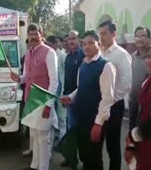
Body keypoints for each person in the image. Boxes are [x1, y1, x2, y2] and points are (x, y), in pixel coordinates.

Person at [61, 30, 116, 170]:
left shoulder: (105, 66)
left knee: (94, 158)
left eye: (91, 43)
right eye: (84, 44)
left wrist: (98, 124)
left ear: (99, 44)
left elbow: (107, 99)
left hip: (95, 121)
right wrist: (70, 98)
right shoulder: (83, 65)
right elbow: (80, 88)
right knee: (85, 156)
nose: (86, 46)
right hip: (81, 119)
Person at [10, 23, 58, 170]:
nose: (33, 37)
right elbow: (26, 76)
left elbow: (54, 81)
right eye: (30, 34)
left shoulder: (49, 52)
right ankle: (35, 165)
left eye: (35, 33)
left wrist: (48, 105)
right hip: (30, 100)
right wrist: (18, 78)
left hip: (43, 101)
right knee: (35, 135)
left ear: (41, 34)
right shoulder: (29, 54)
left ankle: (43, 167)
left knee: (43, 138)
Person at [98, 20, 132, 170]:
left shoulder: (121, 55)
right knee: (97, 142)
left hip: (114, 106)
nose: (101, 37)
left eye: (104, 34)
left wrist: (110, 100)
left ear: (113, 34)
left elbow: (126, 84)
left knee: (112, 146)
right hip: (99, 104)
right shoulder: (101, 53)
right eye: (100, 34)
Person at [61, 30, 84, 169]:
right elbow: (67, 78)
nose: (71, 41)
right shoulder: (68, 57)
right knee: (70, 129)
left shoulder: (83, 55)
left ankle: (82, 160)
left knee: (79, 130)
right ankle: (71, 158)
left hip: (80, 98)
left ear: (78, 39)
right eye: (69, 39)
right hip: (69, 98)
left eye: (74, 38)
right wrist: (65, 95)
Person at [125, 50, 151, 170]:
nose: (148, 60)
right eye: (148, 56)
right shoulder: (148, 79)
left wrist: (134, 135)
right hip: (144, 134)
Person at [129, 27, 150, 130]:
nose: (139, 39)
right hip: (133, 101)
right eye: (137, 36)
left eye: (143, 36)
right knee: (132, 132)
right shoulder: (131, 57)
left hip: (148, 105)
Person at [46, 35, 67, 141]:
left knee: (62, 118)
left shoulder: (62, 56)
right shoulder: (49, 54)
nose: (48, 47)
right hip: (53, 90)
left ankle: (63, 142)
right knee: (54, 118)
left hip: (62, 90)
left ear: (56, 44)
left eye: (50, 45)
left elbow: (65, 74)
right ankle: (56, 139)